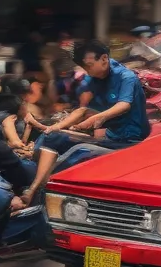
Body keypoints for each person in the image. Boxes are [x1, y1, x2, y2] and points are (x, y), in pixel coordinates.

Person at [22, 40, 151, 203]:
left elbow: (124, 105)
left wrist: (98, 118)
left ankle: (41, 192)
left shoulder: (126, 77)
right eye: (84, 67)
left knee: (79, 152)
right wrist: (57, 126)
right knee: (53, 137)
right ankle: (33, 186)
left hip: (129, 142)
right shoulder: (93, 78)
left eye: (89, 65)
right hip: (109, 138)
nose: (87, 71)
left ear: (104, 59)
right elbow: (83, 110)